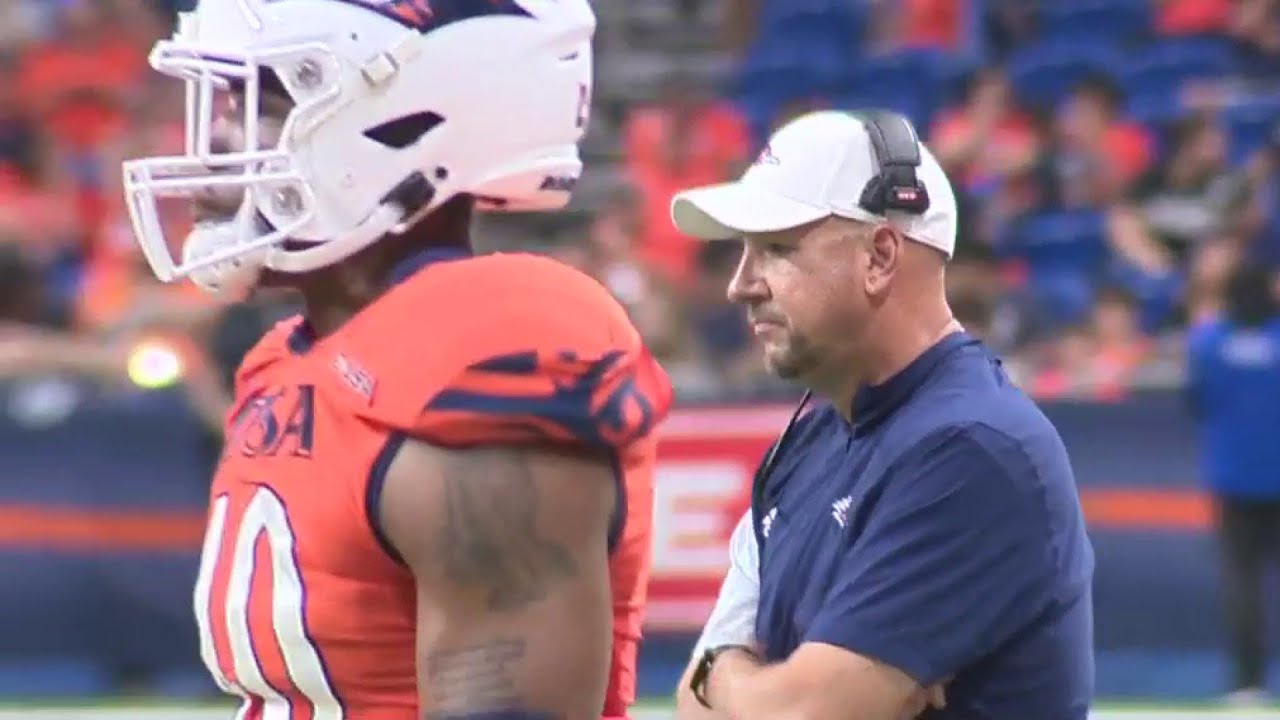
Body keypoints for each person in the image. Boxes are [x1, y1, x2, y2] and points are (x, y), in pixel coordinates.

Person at [119, 2, 673, 719]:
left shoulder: (486, 346)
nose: (218, 136)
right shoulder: (285, 361)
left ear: (408, 124)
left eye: (271, 99)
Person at [667, 110, 1095, 720]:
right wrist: (737, 673)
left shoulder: (974, 450)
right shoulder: (808, 441)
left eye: (777, 249)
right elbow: (693, 702)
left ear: (881, 256)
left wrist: (732, 671)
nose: (741, 285)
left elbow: (795, 716)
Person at [1187, 262, 1280, 707]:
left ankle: (1248, 682)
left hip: (1235, 478)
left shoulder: (1209, 342)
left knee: (1243, 583)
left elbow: (1198, 400)